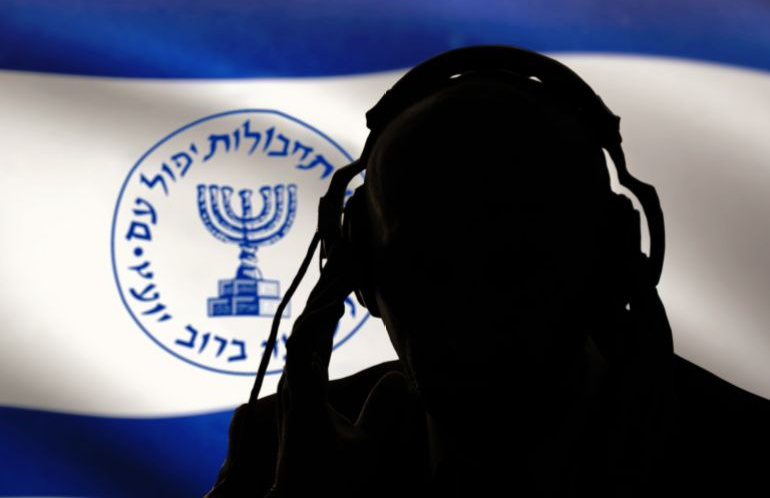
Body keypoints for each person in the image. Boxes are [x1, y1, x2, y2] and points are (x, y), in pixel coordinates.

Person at [205, 46, 770, 497]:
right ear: (362, 273)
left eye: (518, 262)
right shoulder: (275, 445)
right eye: (429, 267)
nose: (473, 311)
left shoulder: (745, 450)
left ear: (610, 263)